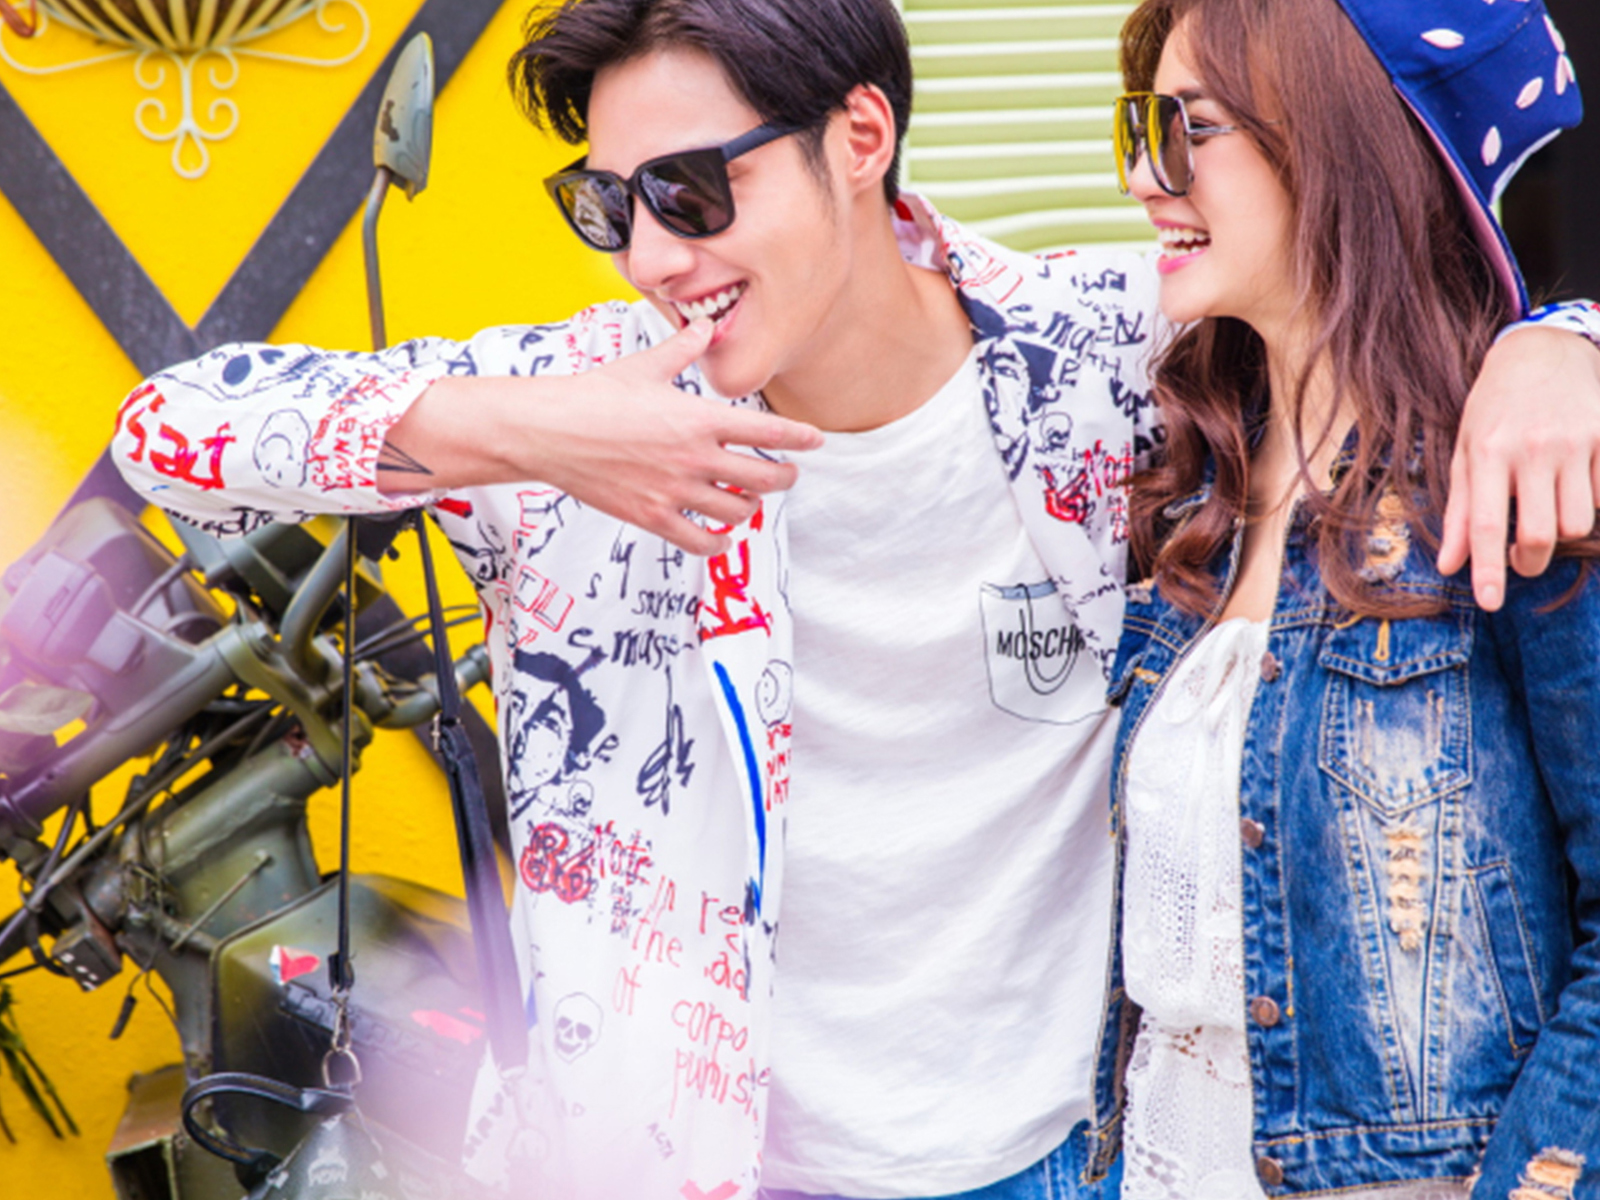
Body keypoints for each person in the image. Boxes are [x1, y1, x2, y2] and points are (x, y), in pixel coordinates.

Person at [109, 1, 1600, 1196]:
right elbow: (169, 435)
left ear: (861, 136)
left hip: (1072, 1151)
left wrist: (1560, 339)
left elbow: (1369, 289)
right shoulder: (567, 410)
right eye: (606, 205)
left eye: (692, 191)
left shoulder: (1107, 355)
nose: (653, 256)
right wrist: (520, 434)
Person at [1098, 0, 1600, 1197]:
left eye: (1187, 129)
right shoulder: (1187, 480)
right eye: (1137, 126)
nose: (1141, 178)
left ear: (1337, 145)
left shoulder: (1513, 479)